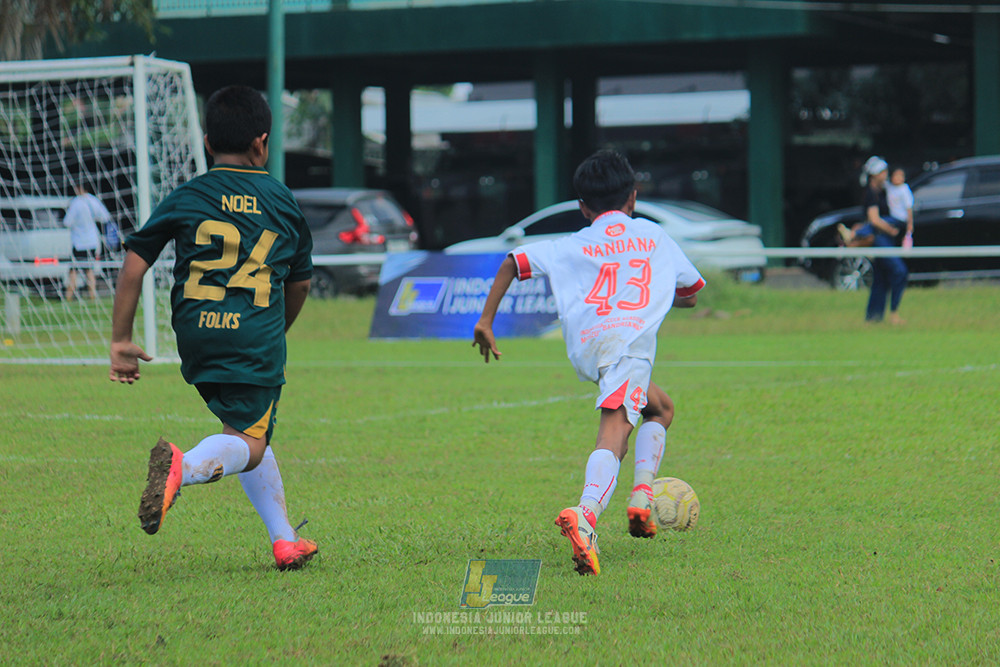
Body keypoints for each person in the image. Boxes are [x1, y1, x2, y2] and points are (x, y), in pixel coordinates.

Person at [109, 85, 318, 571]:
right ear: (261, 143)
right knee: (249, 441)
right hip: (253, 339)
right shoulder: (281, 200)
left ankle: (285, 540)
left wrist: (120, 339)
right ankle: (185, 467)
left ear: (207, 142)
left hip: (196, 336)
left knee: (247, 429)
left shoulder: (188, 195)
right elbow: (301, 283)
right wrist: (274, 332)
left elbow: (135, 264)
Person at [472, 150, 705, 576]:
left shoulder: (573, 243)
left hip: (591, 345)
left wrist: (486, 321)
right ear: (633, 197)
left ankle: (640, 499)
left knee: (660, 409)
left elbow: (513, 262)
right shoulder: (654, 236)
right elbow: (690, 292)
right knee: (615, 431)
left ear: (582, 206)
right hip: (629, 344)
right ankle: (586, 513)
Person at [854, 156, 908, 324]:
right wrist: (890, 229)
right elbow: (874, 220)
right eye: (882, 171)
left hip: (886, 239)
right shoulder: (871, 193)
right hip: (880, 238)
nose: (886, 174)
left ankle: (873, 318)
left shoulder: (885, 191)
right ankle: (894, 312)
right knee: (899, 271)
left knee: (881, 278)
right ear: (874, 174)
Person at [63, 183, 111, 301]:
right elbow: (105, 217)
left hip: (79, 242)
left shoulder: (76, 203)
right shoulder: (93, 201)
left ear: (79, 188)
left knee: (73, 270)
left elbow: (67, 222)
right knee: (89, 270)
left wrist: (78, 224)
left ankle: (68, 297)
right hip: (92, 241)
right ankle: (92, 296)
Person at [886, 167, 914, 249]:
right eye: (896, 175)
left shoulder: (904, 189)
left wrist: (910, 224)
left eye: (900, 175)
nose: (898, 178)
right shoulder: (890, 187)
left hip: (900, 218)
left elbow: (909, 207)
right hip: (893, 218)